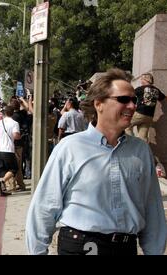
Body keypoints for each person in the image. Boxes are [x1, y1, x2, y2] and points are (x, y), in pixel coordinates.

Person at [26, 68, 167, 255]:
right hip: (81, 246)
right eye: (123, 99)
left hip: (125, 247)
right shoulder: (70, 147)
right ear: (99, 103)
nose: (133, 106)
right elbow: (44, 206)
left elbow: (153, 210)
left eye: (135, 100)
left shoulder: (140, 150)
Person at [0, 106, 21, 196]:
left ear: (5, 113)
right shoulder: (15, 123)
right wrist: (19, 135)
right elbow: (15, 136)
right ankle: (2, 181)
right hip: (9, 149)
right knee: (14, 169)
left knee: (1, 170)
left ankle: (2, 189)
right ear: (13, 113)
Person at [125, 72, 166, 143]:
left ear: (146, 80)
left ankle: (131, 144)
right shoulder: (156, 90)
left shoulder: (140, 89)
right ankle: (142, 151)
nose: (141, 81)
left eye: (142, 79)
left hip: (140, 113)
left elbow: (130, 95)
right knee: (143, 137)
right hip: (149, 116)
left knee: (126, 126)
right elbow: (163, 98)